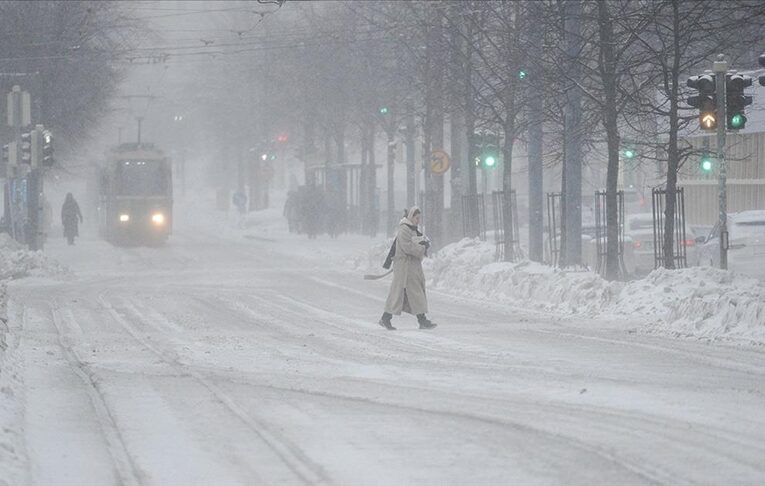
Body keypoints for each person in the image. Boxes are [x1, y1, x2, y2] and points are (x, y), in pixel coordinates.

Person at [379, 206, 436, 330]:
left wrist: (423, 244)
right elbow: (407, 247)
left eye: (419, 218)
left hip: (411, 267)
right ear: (411, 217)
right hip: (405, 267)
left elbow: (415, 243)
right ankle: (420, 320)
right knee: (404, 293)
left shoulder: (413, 229)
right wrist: (422, 247)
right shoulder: (404, 229)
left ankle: (387, 318)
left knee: (410, 293)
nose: (418, 220)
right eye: (416, 218)